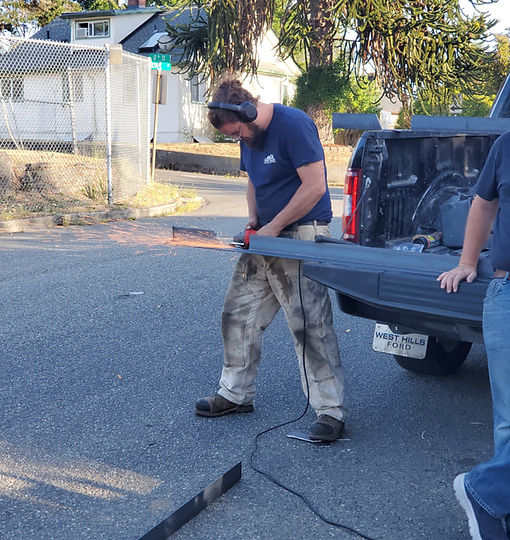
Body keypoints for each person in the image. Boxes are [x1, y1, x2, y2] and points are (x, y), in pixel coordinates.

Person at [194, 76, 347, 441]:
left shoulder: (293, 125)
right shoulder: (247, 135)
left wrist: (274, 227)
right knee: (238, 313)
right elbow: (252, 181)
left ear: (248, 111)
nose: (238, 140)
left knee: (309, 324)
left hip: (301, 235)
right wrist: (254, 220)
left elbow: (315, 187)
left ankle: (330, 411)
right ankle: (235, 394)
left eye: (237, 134)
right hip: (267, 235)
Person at [437, 130, 510, 539]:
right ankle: (497, 507)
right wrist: (467, 260)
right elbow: (484, 204)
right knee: (508, 419)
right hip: (507, 291)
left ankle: (484, 492)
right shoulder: (506, 146)